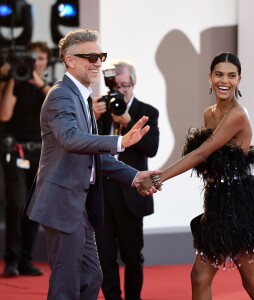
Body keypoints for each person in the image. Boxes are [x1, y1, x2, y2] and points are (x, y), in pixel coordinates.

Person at [23, 28, 159, 300]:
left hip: (80, 207)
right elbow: (71, 139)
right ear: (70, 60)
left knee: (91, 276)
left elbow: (92, 155)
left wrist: (134, 177)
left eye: (101, 55)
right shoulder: (61, 95)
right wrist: (121, 142)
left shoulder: (82, 97)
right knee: (66, 285)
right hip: (63, 204)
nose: (98, 62)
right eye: (91, 56)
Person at [140, 52, 254, 300]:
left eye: (231, 75)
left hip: (242, 207)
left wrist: (158, 178)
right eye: (219, 74)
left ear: (239, 79)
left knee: (253, 285)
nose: (225, 80)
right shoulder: (209, 113)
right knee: (199, 277)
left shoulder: (238, 114)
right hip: (216, 204)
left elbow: (202, 153)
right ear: (210, 77)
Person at [93, 60, 159, 300]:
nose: (121, 91)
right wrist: (90, 115)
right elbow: (84, 145)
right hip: (101, 193)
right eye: (116, 86)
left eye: (125, 85)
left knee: (132, 256)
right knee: (105, 255)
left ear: (133, 84)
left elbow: (152, 148)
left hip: (131, 194)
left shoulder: (147, 112)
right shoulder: (100, 110)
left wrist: (128, 123)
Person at [0, 42, 52, 277]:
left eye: (40, 59)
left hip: (41, 155)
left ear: (46, 62)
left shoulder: (50, 88)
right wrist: (13, 77)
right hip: (17, 152)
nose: (35, 63)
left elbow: (58, 106)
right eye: (31, 58)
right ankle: (11, 260)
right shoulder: (14, 84)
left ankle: (26, 260)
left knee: (34, 207)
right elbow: (4, 114)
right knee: (16, 204)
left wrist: (38, 82)